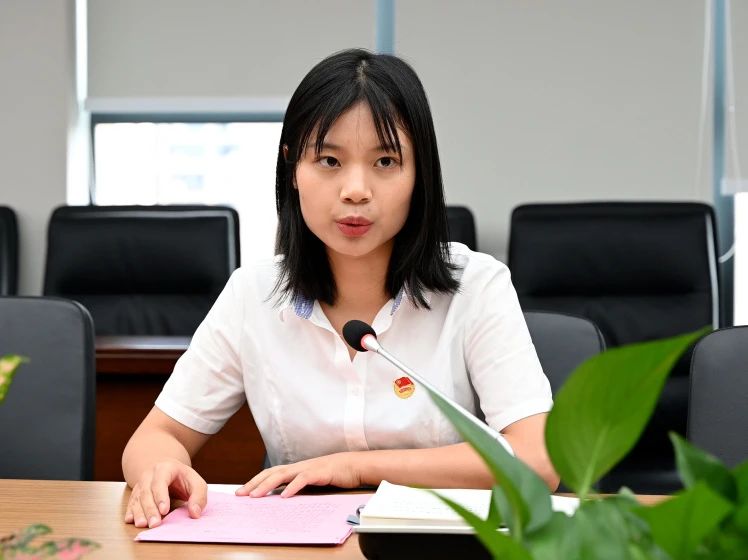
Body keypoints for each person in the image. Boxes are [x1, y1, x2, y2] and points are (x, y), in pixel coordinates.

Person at [122, 48, 559, 529]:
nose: (356, 190)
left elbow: (538, 461)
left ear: (420, 173)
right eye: (329, 160)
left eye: (386, 161)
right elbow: (155, 437)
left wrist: (354, 468)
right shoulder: (254, 294)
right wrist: (159, 468)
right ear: (292, 168)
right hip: (296, 543)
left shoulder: (475, 286)